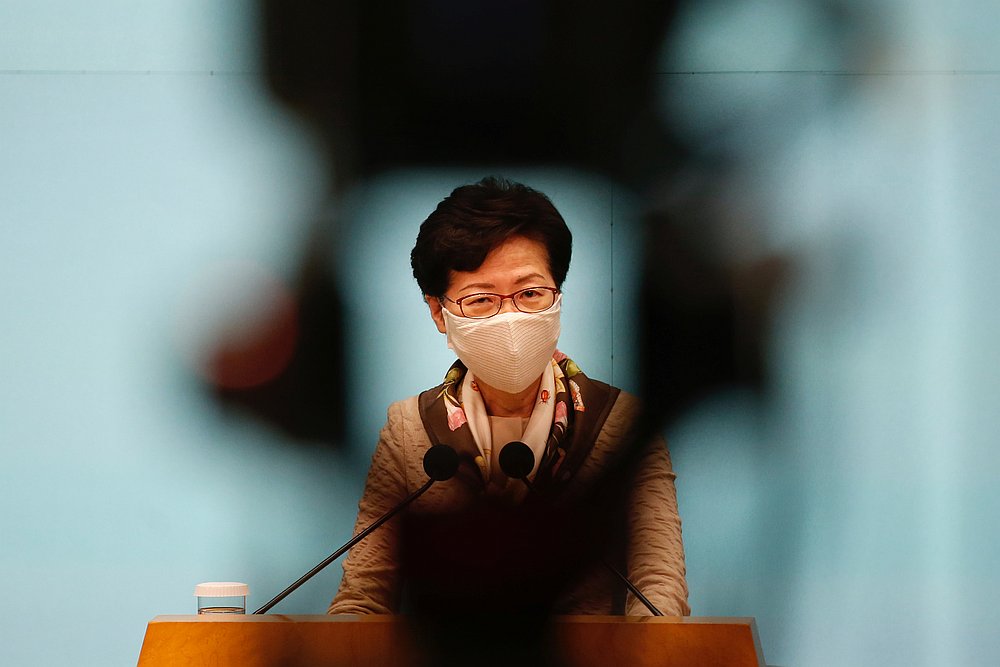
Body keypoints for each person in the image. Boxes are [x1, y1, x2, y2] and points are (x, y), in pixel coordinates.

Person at [329, 176, 688, 617]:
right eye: (481, 300)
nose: (511, 317)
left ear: (559, 294)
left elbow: (658, 588)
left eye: (531, 293)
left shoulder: (622, 422)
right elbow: (363, 597)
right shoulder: (410, 427)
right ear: (439, 313)